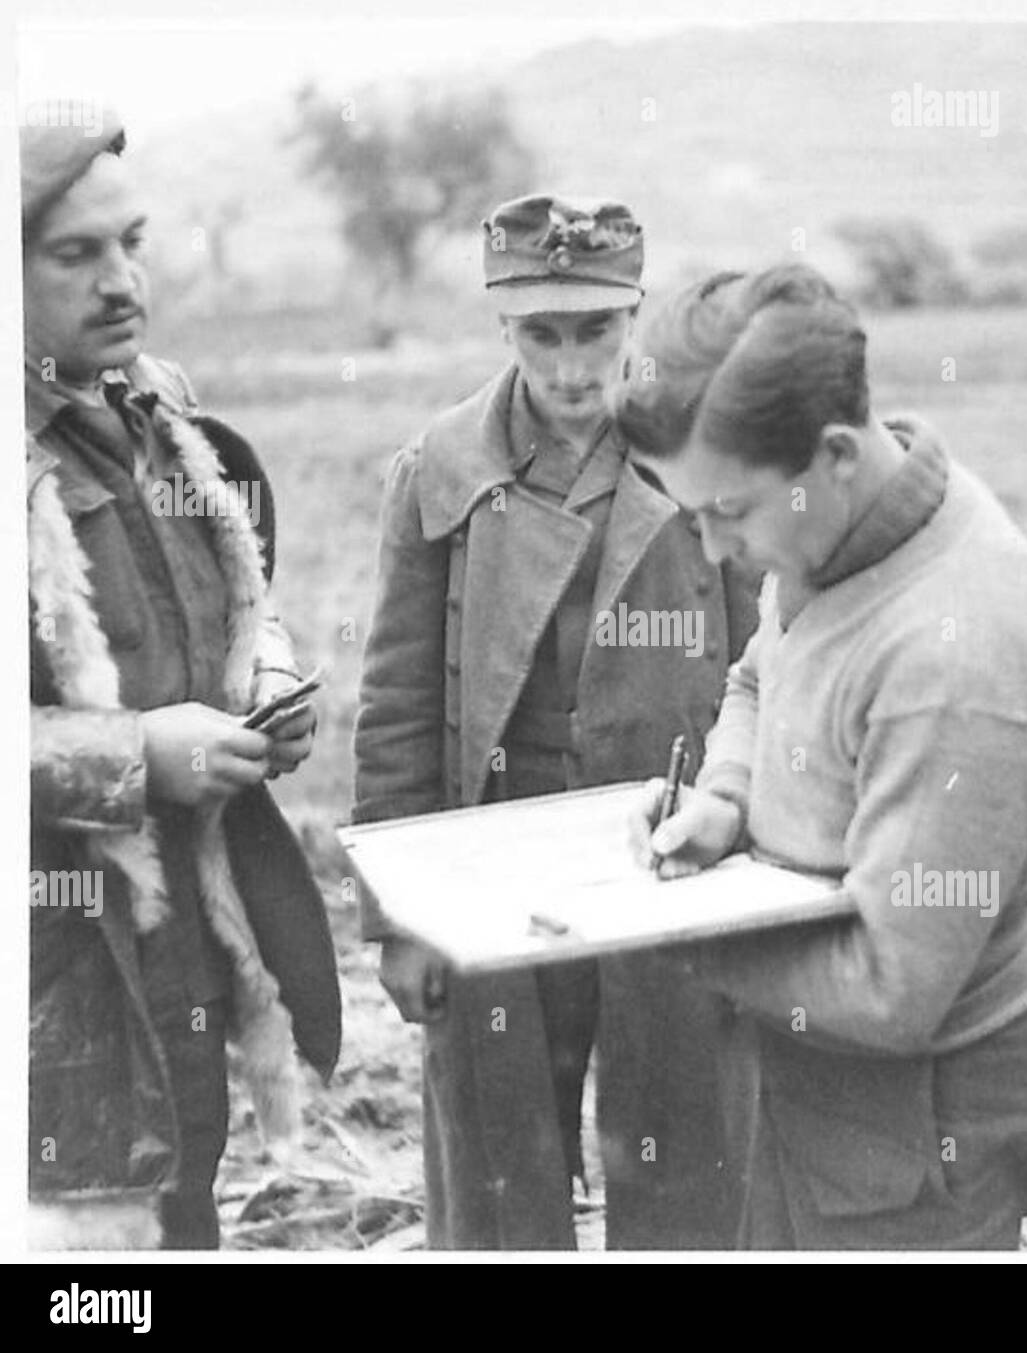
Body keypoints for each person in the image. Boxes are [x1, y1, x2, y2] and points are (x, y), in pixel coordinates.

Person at [619, 264, 1027, 1249]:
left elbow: (891, 986)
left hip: (912, 1152)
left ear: (833, 452)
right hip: (809, 1092)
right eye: (690, 512)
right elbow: (760, 674)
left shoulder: (957, 659)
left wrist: (677, 933)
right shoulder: (841, 533)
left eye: (728, 513)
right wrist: (725, 795)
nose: (707, 552)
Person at [352, 194, 758, 1249]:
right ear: (503, 326)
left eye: (596, 331)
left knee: (684, 1153)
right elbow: (399, 707)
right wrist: (399, 921)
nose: (573, 367)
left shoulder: (706, 458)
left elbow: (769, 673)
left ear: (634, 321)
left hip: (667, 857)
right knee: (496, 1166)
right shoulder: (439, 472)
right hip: (492, 862)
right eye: (543, 333)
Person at [25, 112, 341, 1249]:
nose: (121, 283)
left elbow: (234, 596)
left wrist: (264, 673)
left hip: (184, 934)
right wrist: (136, 758)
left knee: (179, 1196)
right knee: (82, 1243)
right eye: (73, 256)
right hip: (53, 960)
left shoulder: (155, 409)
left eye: (131, 243)